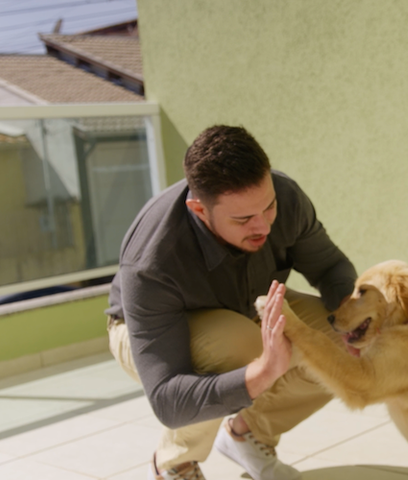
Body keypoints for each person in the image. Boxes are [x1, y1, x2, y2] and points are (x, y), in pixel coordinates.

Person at [105, 125, 356, 480]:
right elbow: (168, 399)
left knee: (344, 341)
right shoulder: (152, 259)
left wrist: (359, 318)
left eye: (268, 208)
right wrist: (264, 371)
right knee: (238, 346)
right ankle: (175, 464)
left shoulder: (285, 196)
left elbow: (331, 268)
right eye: (243, 219)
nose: (264, 227)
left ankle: (247, 435)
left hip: (244, 306)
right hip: (145, 331)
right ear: (199, 209)